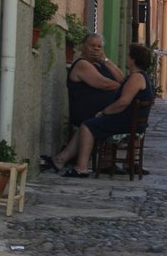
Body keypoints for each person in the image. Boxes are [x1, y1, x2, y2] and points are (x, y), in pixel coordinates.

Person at [49, 43, 156, 177]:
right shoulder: (140, 77)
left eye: (128, 56)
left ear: (133, 59)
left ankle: (81, 168)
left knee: (88, 126)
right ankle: (60, 160)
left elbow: (123, 102)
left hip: (126, 123)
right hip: (130, 122)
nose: (126, 58)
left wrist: (105, 112)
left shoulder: (136, 78)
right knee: (88, 123)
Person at [41, 32, 123, 173]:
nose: (96, 49)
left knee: (108, 117)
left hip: (99, 111)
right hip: (85, 110)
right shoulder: (82, 64)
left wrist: (105, 60)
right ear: (83, 47)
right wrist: (121, 87)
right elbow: (103, 83)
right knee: (97, 121)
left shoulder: (100, 63)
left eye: (99, 46)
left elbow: (121, 77)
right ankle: (87, 162)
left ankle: (60, 160)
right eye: (92, 45)